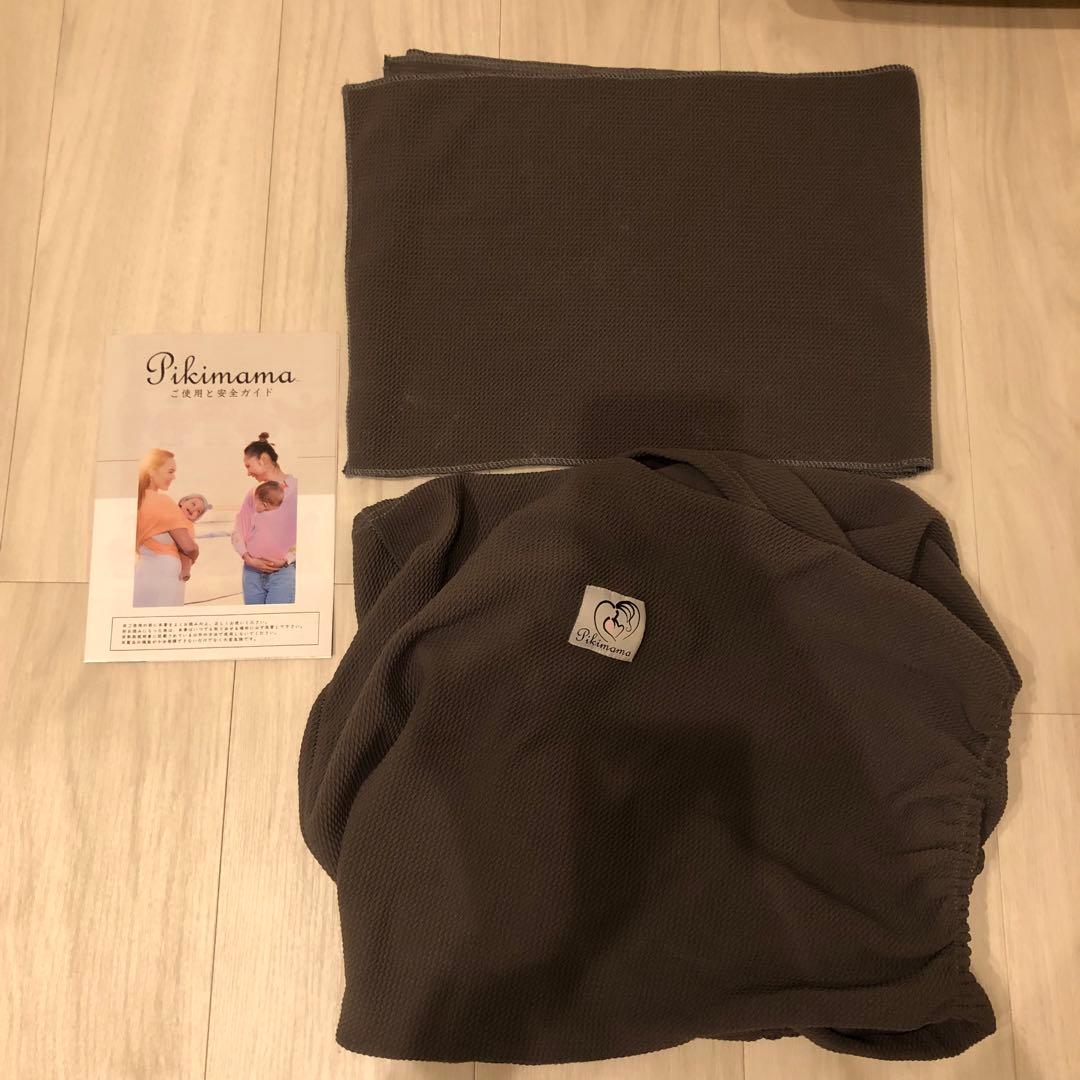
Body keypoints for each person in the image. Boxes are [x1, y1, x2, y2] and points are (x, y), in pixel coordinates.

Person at [232, 433, 298, 604]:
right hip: (251, 574)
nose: (248, 473)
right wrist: (247, 558)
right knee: (255, 621)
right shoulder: (253, 493)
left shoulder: (297, 489)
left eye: (248, 465)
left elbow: (310, 532)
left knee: (279, 620)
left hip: (283, 573)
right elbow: (239, 529)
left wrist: (287, 560)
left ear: (262, 459)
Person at [133, 449, 199, 606]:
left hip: (142, 572)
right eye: (170, 471)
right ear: (151, 470)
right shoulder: (163, 501)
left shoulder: (137, 501)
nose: (174, 477)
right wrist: (195, 553)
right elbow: (189, 547)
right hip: (166, 575)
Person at [174, 493, 213, 582]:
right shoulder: (173, 513)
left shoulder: (189, 523)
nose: (193, 509)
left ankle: (186, 572)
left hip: (184, 547)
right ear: (183, 501)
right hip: (175, 547)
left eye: (198, 512)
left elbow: (189, 542)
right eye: (193, 504)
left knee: (186, 558)